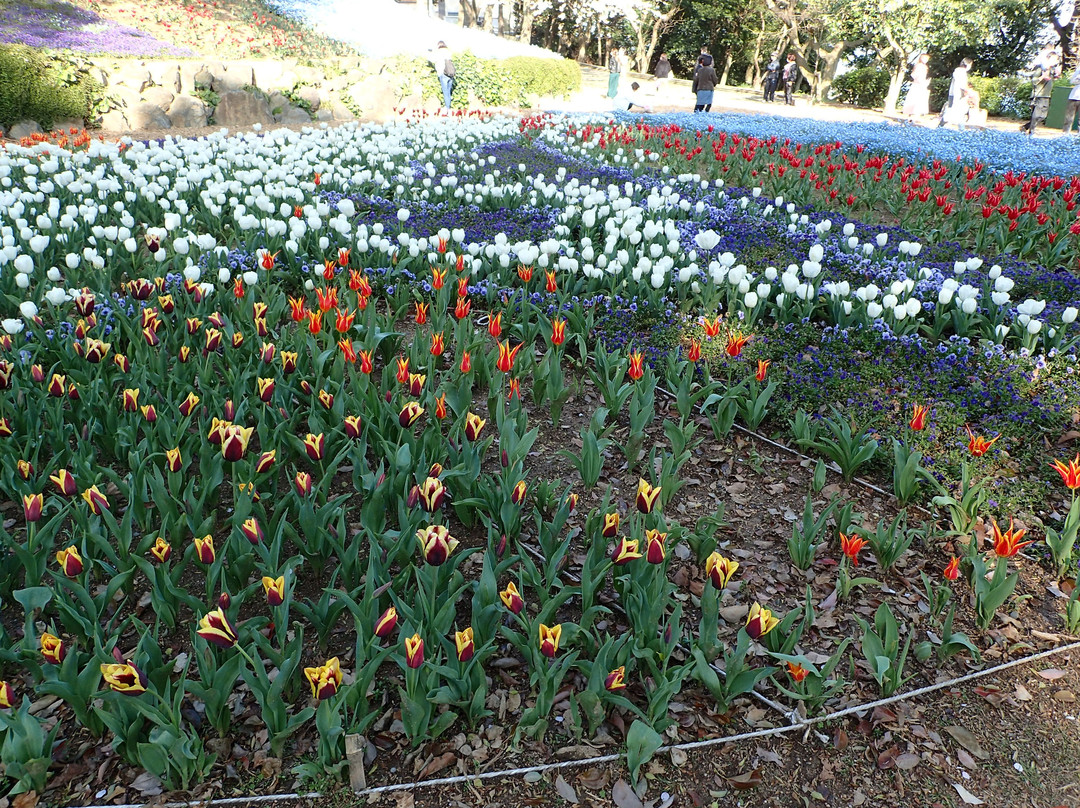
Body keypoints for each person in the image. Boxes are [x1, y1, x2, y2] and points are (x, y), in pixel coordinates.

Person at [1021, 44, 1061, 135]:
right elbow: (1034, 81)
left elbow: (1052, 79)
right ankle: (1032, 131)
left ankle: (1026, 127)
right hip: (1039, 94)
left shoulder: (1051, 69)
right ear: (1048, 59)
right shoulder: (1040, 68)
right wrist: (1042, 77)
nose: (1055, 61)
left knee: (1043, 116)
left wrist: (1055, 75)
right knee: (1037, 115)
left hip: (1047, 94)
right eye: (1054, 59)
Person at [939, 57, 972, 129]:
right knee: (955, 110)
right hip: (957, 94)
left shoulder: (959, 71)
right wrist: (967, 91)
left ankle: (959, 127)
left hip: (955, 93)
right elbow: (962, 84)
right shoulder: (961, 72)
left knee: (954, 110)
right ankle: (959, 127)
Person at [902, 53, 931, 122]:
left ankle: (913, 116)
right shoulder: (920, 66)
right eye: (924, 58)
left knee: (916, 100)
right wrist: (923, 82)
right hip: (919, 85)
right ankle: (913, 116)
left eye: (927, 59)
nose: (926, 60)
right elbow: (915, 76)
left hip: (919, 84)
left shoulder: (922, 66)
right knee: (916, 100)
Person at [429, 41, 455, 111]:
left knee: (445, 92)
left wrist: (432, 51)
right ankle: (448, 106)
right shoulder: (448, 52)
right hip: (451, 73)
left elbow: (432, 60)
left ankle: (447, 108)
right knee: (449, 92)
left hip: (443, 73)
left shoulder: (438, 52)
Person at [1063, 62, 1080, 135]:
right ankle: (1066, 133)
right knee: (1069, 117)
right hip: (1074, 96)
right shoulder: (1078, 70)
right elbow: (1072, 81)